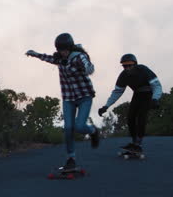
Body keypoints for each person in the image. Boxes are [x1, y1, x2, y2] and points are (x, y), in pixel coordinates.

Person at [25, 33, 101, 172]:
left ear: (70, 47)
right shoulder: (59, 58)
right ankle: (70, 159)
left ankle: (93, 131)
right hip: (68, 98)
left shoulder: (79, 56)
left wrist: (89, 68)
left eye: (64, 49)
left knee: (79, 126)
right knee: (68, 129)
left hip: (84, 96)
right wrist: (35, 54)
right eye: (60, 50)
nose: (63, 52)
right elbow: (48, 58)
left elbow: (88, 65)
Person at [97, 53, 163, 154]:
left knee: (141, 117)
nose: (127, 68)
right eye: (124, 66)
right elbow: (117, 92)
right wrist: (106, 106)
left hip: (149, 94)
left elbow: (156, 85)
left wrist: (155, 99)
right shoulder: (123, 76)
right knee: (130, 118)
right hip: (137, 94)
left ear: (135, 64)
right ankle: (134, 143)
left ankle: (139, 145)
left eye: (129, 65)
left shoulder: (143, 70)